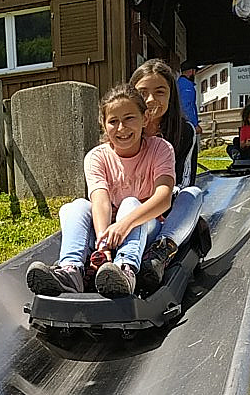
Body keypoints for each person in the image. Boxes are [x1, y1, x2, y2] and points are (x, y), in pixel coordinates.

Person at [25, 83, 175, 298]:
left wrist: (125, 224)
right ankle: (71, 270)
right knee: (74, 207)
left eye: (129, 118)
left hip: (144, 228)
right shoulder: (96, 157)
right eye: (113, 121)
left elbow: (164, 197)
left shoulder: (160, 149)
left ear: (144, 119)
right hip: (107, 232)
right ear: (104, 125)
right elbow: (100, 201)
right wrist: (103, 247)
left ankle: (126, 269)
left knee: (130, 203)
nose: (121, 128)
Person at [130, 59, 205, 289]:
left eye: (160, 92)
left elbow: (185, 181)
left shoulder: (184, 132)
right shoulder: (125, 130)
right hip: (132, 213)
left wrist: (161, 198)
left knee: (192, 194)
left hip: (167, 212)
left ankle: (161, 251)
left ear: (171, 95)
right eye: (143, 93)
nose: (151, 100)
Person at [177, 61, 202, 138]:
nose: (195, 74)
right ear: (191, 71)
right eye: (195, 71)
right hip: (186, 125)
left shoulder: (179, 83)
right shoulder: (187, 85)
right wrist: (194, 124)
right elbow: (187, 106)